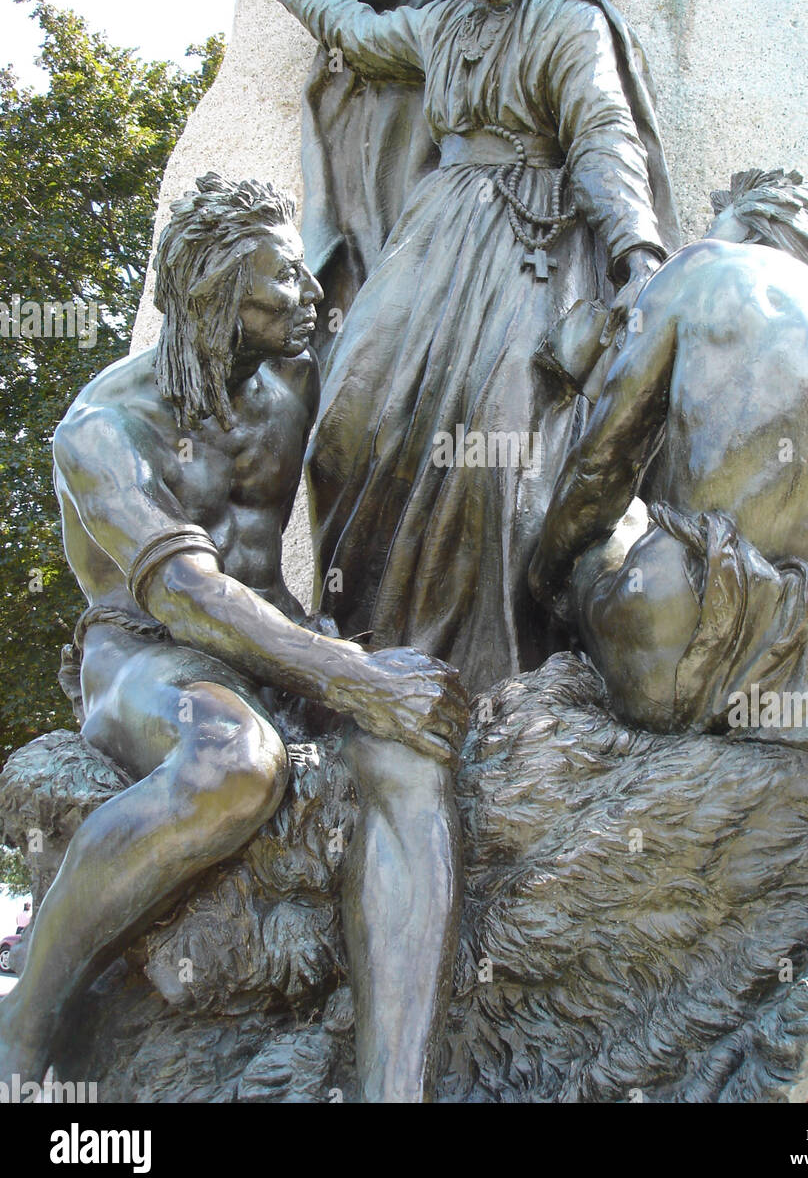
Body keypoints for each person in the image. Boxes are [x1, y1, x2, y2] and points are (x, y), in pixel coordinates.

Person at [0, 173, 468, 1104]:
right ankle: (24, 1025)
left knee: (412, 759)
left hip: (272, 634)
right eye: (283, 284)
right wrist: (352, 676)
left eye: (304, 278)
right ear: (216, 295)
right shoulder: (103, 428)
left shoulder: (293, 380)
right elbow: (182, 593)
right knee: (234, 761)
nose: (309, 301)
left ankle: (394, 1090)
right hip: (141, 650)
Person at [243, 0, 681, 694]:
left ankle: (503, 675)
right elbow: (353, 34)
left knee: (506, 446)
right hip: (434, 230)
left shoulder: (565, 21)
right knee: (347, 419)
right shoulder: (435, 24)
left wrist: (636, 257)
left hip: (532, 241)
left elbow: (601, 133)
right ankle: (364, 654)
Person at [529, 168, 808, 753]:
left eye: (718, 223)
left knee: (626, 527)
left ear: (750, 224)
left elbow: (600, 471)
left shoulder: (705, 269)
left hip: (680, 654)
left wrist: (545, 578)